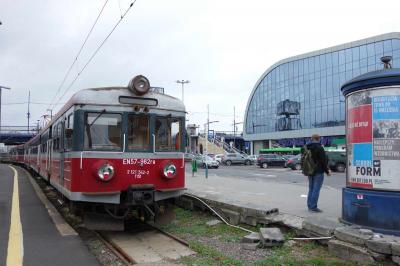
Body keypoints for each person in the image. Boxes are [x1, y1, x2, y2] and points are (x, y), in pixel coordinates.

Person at [301, 134, 331, 212]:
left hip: (309, 171)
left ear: (311, 139)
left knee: (311, 189)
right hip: (318, 171)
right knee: (316, 189)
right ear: (319, 139)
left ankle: (309, 206)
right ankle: (313, 207)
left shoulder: (306, 147)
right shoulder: (320, 148)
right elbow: (323, 161)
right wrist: (327, 171)